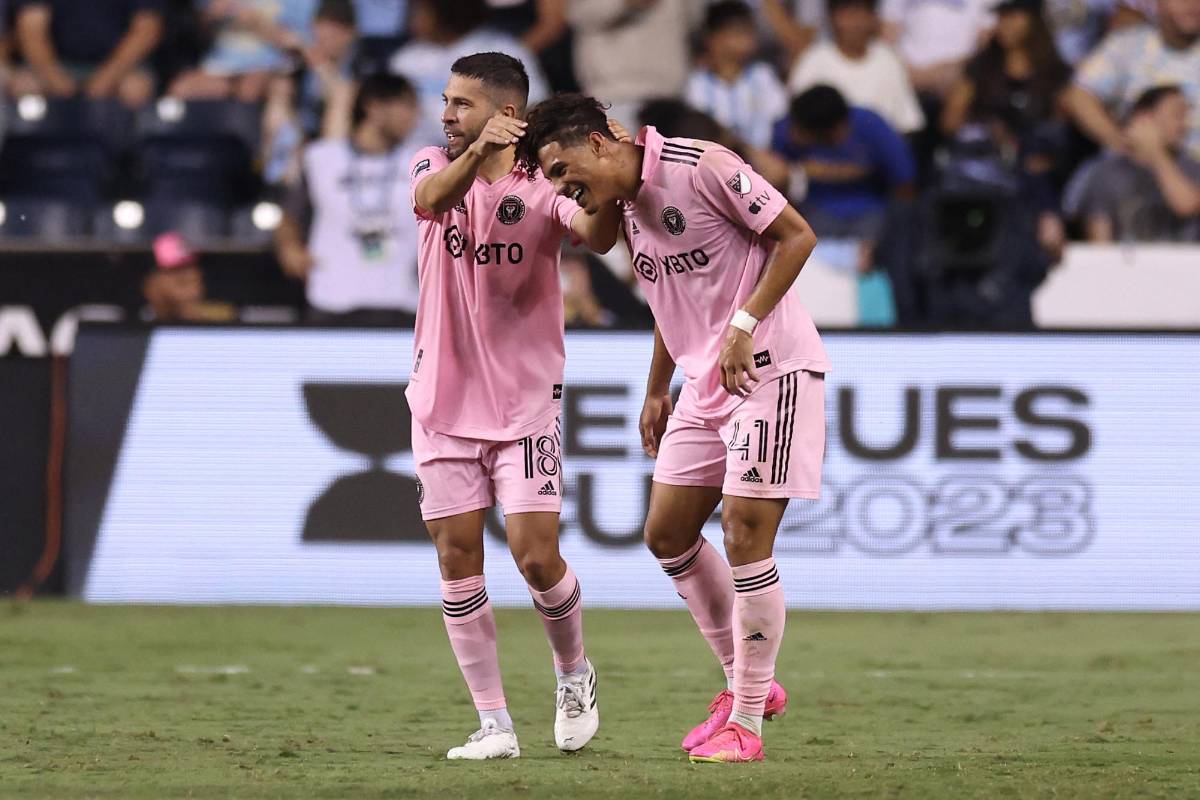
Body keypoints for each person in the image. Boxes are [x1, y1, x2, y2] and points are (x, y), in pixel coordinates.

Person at [518, 93, 832, 764]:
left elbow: (797, 236)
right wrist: (658, 386)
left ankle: (746, 720)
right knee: (666, 532)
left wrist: (744, 325)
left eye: (561, 166)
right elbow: (670, 293)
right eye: (548, 178)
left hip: (768, 367)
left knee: (745, 532)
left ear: (600, 142)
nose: (560, 185)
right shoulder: (626, 208)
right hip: (702, 380)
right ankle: (748, 684)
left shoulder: (703, 166)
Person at [406, 52, 622, 760]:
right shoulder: (431, 166)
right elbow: (431, 201)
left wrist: (609, 189)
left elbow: (592, 232)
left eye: (462, 104)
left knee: (535, 558)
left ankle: (573, 673)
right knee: (455, 556)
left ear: (504, 115)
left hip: (526, 404)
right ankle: (494, 723)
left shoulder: (542, 186)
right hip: (441, 399)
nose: (447, 115)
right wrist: (474, 152)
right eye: (446, 101)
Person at [275, 73, 423, 323]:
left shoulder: (424, 161)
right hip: (333, 296)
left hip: (403, 298)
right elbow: (289, 216)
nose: (415, 116)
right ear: (374, 106)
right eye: (407, 105)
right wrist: (289, 247)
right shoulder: (322, 158)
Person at [388, 0, 549, 146]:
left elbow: (533, 109)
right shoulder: (404, 60)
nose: (412, 18)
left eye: (420, 10)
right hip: (415, 159)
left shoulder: (504, 50)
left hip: (487, 154)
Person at [773, 85, 917, 241]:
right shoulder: (787, 130)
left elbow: (905, 182)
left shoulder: (870, 125)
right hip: (813, 211)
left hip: (871, 210)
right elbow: (772, 182)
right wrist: (799, 171)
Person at [1065, 0, 1200, 161]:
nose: (1192, 5)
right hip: (1137, 172)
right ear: (1158, 3)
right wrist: (1121, 144)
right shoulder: (1129, 45)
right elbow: (1080, 96)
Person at [1064, 84, 1200, 240]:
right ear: (1145, 118)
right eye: (1177, 115)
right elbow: (1099, 240)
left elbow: (1186, 205)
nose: (1185, 125)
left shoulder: (1193, 168)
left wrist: (1157, 156)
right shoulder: (1106, 172)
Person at [940, 0, 1072, 141]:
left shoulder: (1053, 70)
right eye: (1001, 17)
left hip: (1036, 151)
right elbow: (950, 121)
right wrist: (983, 128)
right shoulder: (983, 65)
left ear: (1035, 19)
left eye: (1013, 16)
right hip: (986, 153)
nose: (1005, 25)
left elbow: (1060, 123)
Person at [788, 0, 925, 135]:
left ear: (873, 18)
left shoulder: (889, 59)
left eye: (861, 13)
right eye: (847, 14)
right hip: (823, 149)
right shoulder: (813, 60)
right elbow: (796, 125)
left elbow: (908, 124)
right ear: (832, 17)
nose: (855, 23)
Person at [566, 0, 703, 127]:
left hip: (670, 95)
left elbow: (695, 21)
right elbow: (578, 14)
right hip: (617, 97)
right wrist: (625, 3)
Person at [9, 0, 164, 108]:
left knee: (135, 88)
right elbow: (31, 30)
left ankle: (125, 154)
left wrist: (103, 82)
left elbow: (147, 30)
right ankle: (39, 154)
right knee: (25, 86)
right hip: (60, 66)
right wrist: (56, 82)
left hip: (119, 68)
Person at [684, 1, 790, 150]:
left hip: (765, 160)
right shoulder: (698, 84)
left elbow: (781, 122)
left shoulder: (763, 76)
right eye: (738, 32)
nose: (748, 38)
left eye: (750, 31)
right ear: (713, 39)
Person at [169, 0, 318, 103]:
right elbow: (196, 30)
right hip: (219, 66)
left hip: (270, 67)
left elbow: (305, 49)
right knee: (181, 88)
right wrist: (211, 15)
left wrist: (260, 26)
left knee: (250, 89)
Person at [142, 232, 236, 322]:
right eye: (181, 282)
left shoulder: (221, 317)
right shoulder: (140, 320)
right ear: (153, 283)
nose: (193, 292)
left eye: (196, 282)